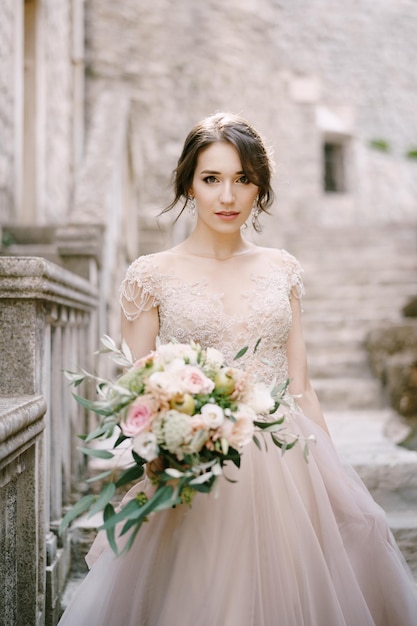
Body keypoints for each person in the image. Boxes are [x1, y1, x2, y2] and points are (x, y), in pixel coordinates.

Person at [59, 113, 417, 625]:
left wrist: (337, 482)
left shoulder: (282, 269)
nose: (227, 196)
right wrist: (159, 456)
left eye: (243, 179)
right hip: (196, 466)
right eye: (211, 179)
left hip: (286, 461)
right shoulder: (150, 276)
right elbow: (131, 395)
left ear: (260, 188)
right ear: (189, 183)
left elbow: (303, 387)